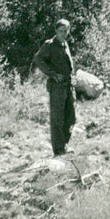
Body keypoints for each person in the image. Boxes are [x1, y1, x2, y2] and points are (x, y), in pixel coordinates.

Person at [34, 19, 76, 156]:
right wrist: (52, 74)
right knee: (57, 118)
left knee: (71, 117)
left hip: (69, 85)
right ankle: (59, 149)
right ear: (56, 31)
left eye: (66, 31)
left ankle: (64, 144)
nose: (64, 34)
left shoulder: (65, 44)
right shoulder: (49, 45)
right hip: (57, 87)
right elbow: (38, 59)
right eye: (61, 31)